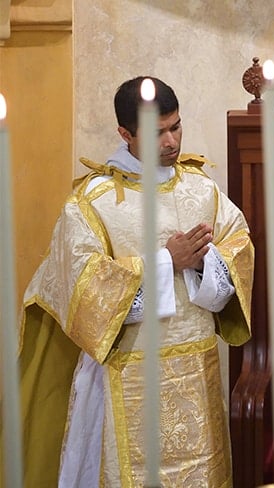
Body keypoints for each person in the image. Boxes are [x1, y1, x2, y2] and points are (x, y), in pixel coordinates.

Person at [16, 76, 254, 486]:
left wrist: (201, 263)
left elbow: (238, 250)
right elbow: (82, 290)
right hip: (124, 376)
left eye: (176, 126)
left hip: (196, 371)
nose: (171, 141)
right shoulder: (92, 203)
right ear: (125, 133)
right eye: (157, 132)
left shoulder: (202, 191)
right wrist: (167, 262)